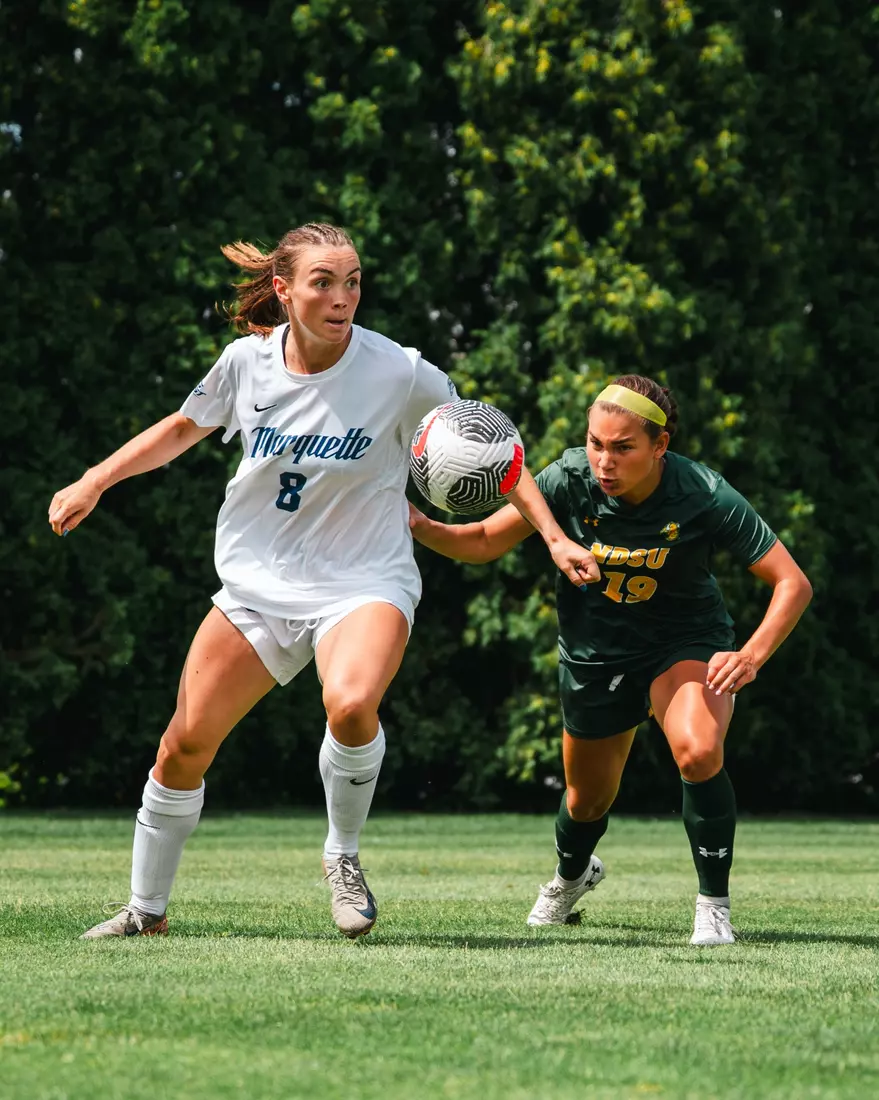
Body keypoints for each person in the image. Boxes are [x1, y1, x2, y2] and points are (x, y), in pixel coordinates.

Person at [48, 222, 597, 940]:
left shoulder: (399, 371)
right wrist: (96, 479)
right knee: (182, 745)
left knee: (350, 704)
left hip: (364, 578)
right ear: (283, 290)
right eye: (323, 283)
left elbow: (496, 450)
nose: (343, 298)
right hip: (257, 583)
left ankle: (342, 856)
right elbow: (182, 429)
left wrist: (552, 538)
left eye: (353, 282)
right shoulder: (246, 363)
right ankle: (145, 910)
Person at [409, 375, 812, 945]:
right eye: (596, 442)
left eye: (623, 447)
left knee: (698, 751)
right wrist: (418, 524)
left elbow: (791, 583)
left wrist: (752, 654)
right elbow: (481, 542)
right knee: (586, 799)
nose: (604, 459)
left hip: (685, 644)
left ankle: (713, 906)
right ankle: (573, 876)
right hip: (597, 655)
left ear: (660, 447)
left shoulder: (702, 491)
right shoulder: (568, 479)